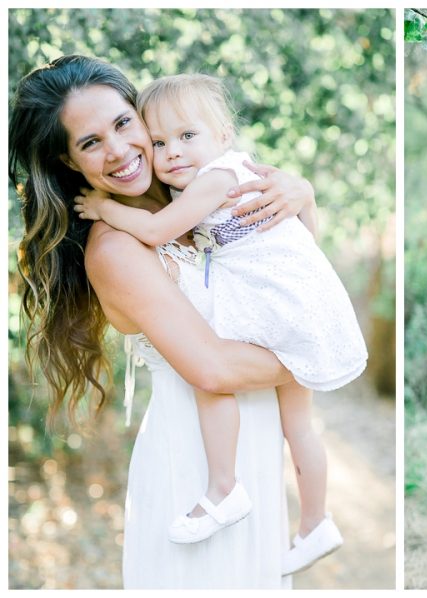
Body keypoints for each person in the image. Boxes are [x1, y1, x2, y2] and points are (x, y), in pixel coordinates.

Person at [9, 54, 320, 588]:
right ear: (69, 162)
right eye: (90, 142)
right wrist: (319, 353)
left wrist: (304, 199)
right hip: (194, 468)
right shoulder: (116, 248)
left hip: (254, 452)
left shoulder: (200, 203)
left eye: (123, 123)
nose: (117, 150)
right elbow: (214, 369)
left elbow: (295, 286)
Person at [74, 73, 367, 572]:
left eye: (186, 136)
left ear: (224, 134)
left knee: (294, 424)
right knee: (299, 426)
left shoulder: (209, 185)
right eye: (160, 142)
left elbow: (161, 231)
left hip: (264, 344)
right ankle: (310, 520)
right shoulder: (129, 238)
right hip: (195, 438)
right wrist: (307, 351)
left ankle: (266, 503)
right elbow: (210, 366)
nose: (170, 151)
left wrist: (306, 196)